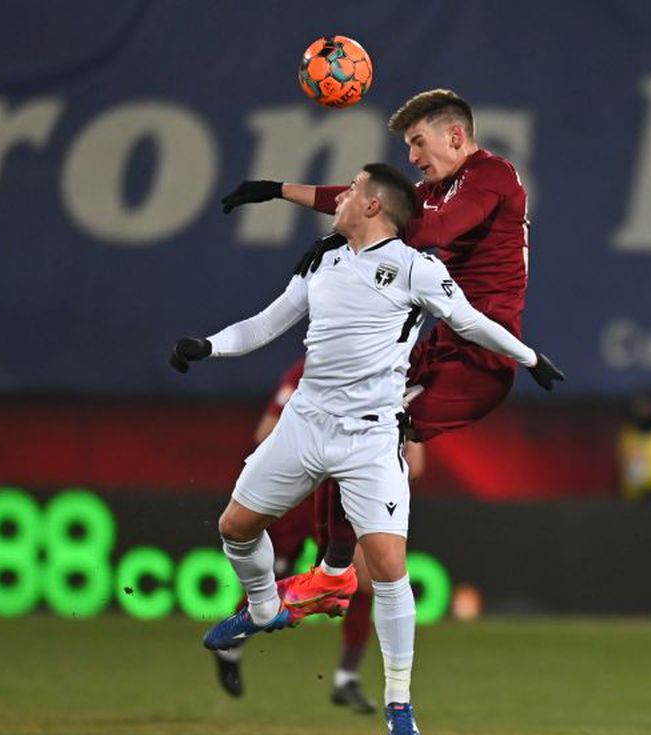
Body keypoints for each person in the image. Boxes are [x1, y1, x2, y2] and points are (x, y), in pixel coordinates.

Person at [172, 163, 564, 735]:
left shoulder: (417, 267)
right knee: (235, 527)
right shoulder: (322, 259)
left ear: (374, 206)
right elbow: (266, 323)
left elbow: (470, 321)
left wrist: (530, 358)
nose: (342, 196)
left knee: (388, 569)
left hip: (371, 437)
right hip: (304, 424)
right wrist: (209, 346)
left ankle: (399, 704)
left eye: (352, 189)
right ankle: (261, 608)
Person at [221, 88, 533, 613]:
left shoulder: (491, 176)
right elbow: (363, 198)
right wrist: (278, 189)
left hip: (482, 356)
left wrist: (355, 230)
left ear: (455, 136)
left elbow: (432, 229)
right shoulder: (443, 185)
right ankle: (334, 574)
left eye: (418, 142)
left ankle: (335, 573)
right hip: (444, 345)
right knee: (350, 416)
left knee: (376, 426)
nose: (411, 157)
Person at [213, 357, 424, 715]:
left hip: (346, 497)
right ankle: (231, 646)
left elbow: (415, 468)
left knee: (365, 581)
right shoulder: (311, 369)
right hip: (302, 494)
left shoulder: (394, 378)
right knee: (276, 576)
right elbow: (265, 434)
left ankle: (346, 678)